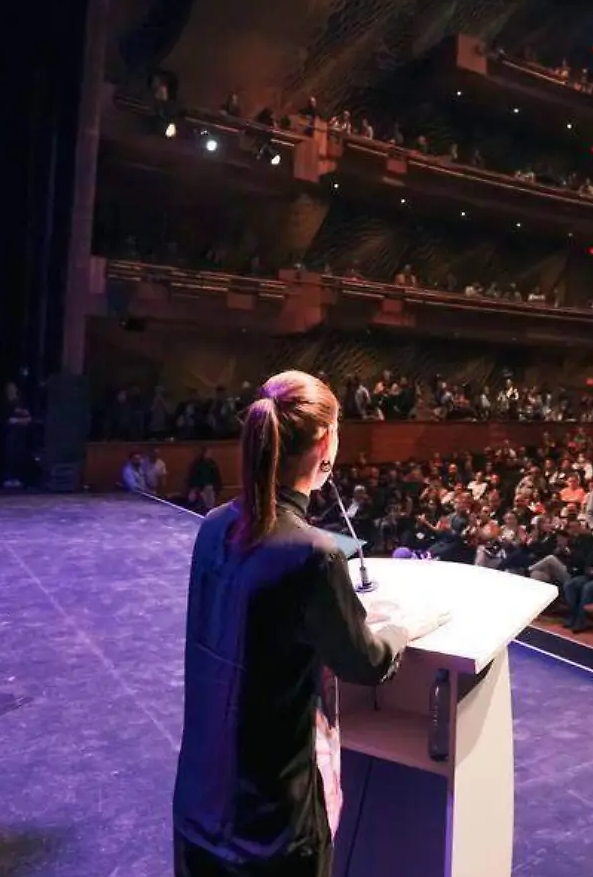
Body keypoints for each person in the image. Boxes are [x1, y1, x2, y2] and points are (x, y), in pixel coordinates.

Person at [173, 371, 446, 877]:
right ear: (326, 444)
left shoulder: (212, 528)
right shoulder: (313, 554)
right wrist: (403, 627)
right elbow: (365, 662)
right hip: (270, 830)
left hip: (198, 804)